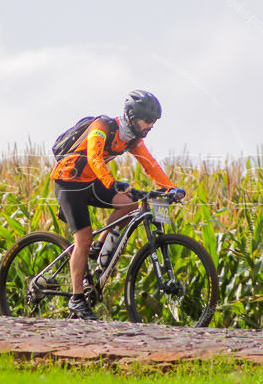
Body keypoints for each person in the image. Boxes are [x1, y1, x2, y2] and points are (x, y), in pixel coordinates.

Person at [50, 90, 185, 320]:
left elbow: (149, 164)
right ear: (131, 116)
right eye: (147, 120)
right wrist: (112, 183)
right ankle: (76, 299)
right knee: (83, 238)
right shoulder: (102, 127)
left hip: (91, 182)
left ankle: (98, 248)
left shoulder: (132, 138)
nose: (151, 125)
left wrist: (170, 188)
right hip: (69, 182)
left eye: (154, 121)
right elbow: (93, 158)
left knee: (133, 203)